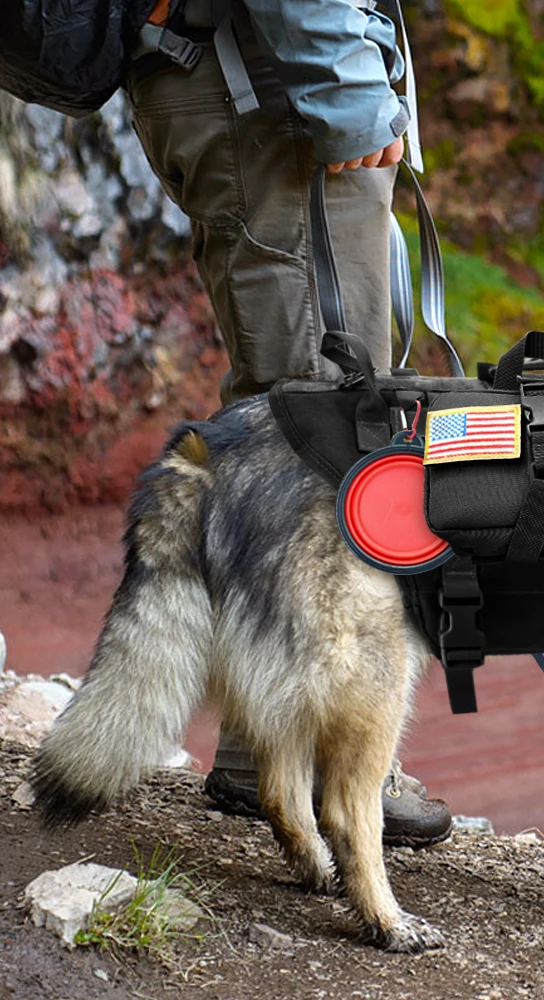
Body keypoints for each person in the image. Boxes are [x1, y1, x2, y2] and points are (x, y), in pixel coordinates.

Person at [127, 0, 452, 847]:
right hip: (269, 93)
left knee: (303, 417)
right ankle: (311, 761)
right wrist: (348, 89)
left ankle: (271, 745)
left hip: (252, 80)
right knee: (320, 426)